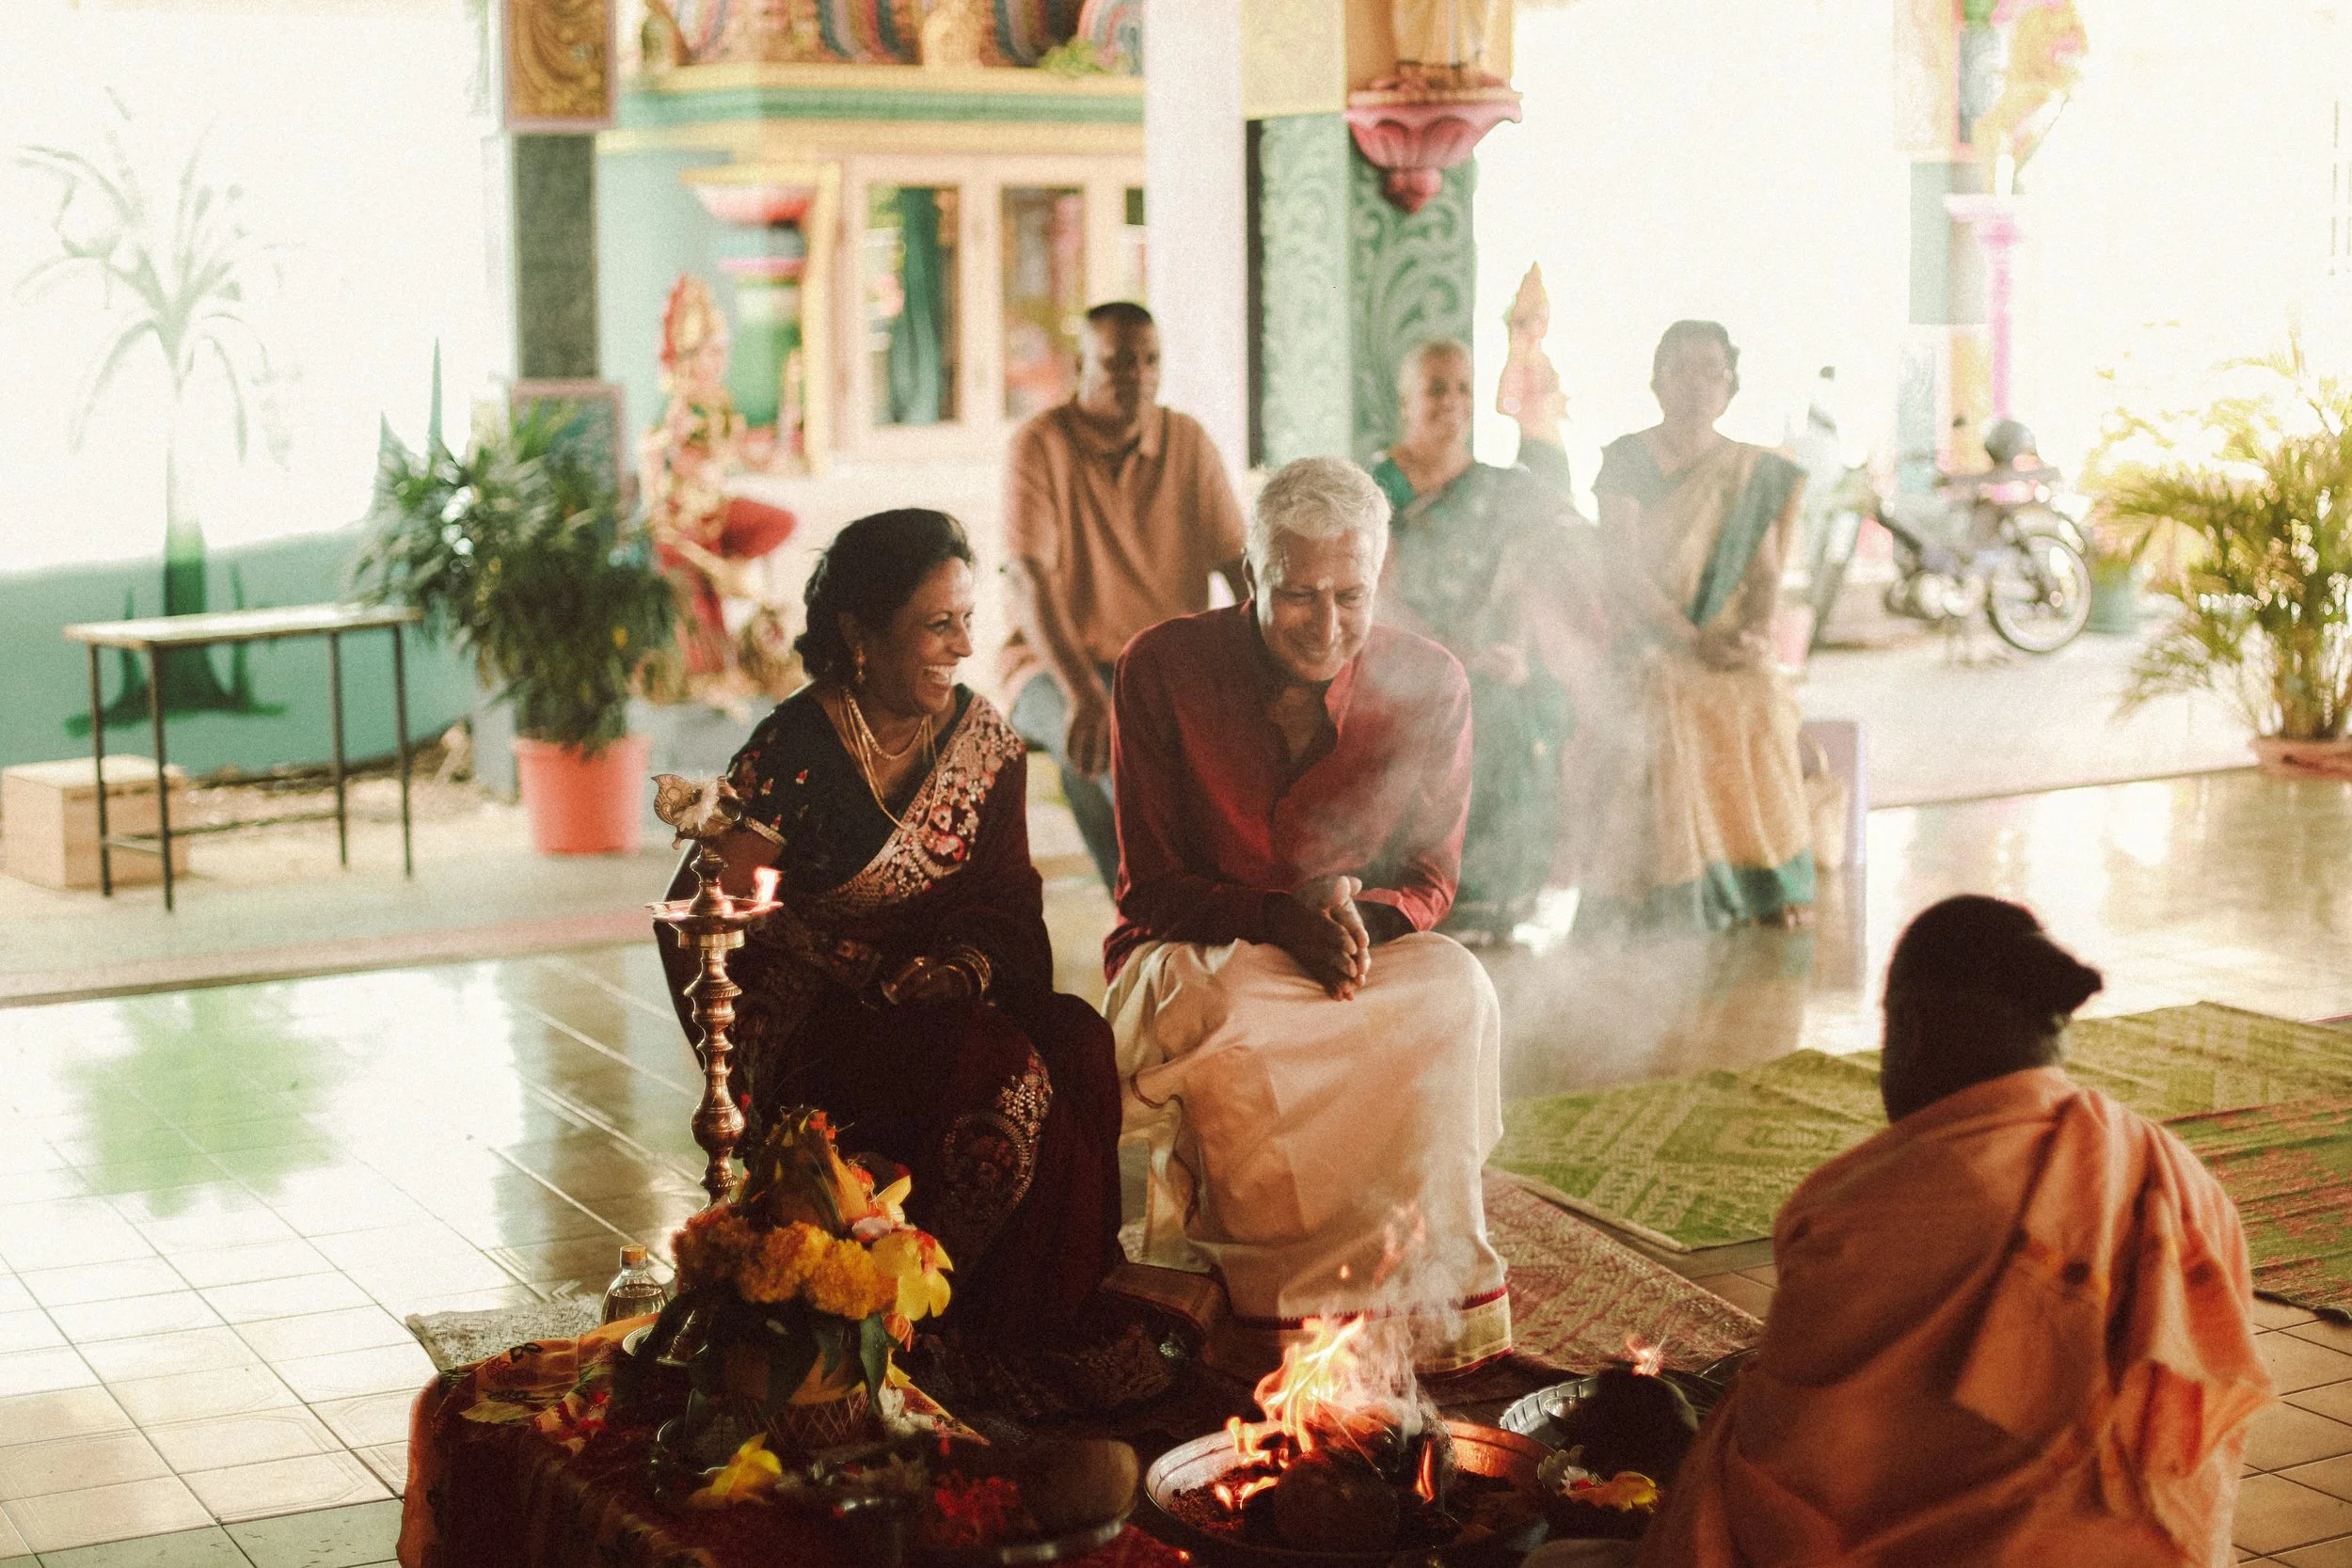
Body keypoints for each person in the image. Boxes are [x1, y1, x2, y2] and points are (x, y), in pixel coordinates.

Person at [1641, 895, 2268, 1568]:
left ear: (1908, 1027)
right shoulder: (2185, 1187)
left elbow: (1791, 1481)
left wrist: (1683, 1443)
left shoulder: (1865, 1207)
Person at [652, 509, 1122, 1368]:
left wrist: (959, 967)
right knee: (991, 1062)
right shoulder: (797, 749)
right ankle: (929, 1326)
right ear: (860, 633)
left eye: (968, 620)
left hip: (954, 994)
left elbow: (1011, 902)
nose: (963, 647)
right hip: (822, 1024)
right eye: (938, 625)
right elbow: (709, 906)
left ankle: (1044, 1318)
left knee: (1080, 1042)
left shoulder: (985, 746)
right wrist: (849, 967)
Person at [1103, 455, 1510, 1376]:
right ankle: (1267, 1301)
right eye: (1297, 594)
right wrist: (1278, 914)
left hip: (1354, 943)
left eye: (1351, 595)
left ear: (1379, 579)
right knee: (1237, 1015)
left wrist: (1349, 913)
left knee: (1458, 988)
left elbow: (1430, 879)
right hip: (1203, 946)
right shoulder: (1161, 665)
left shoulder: (1431, 680)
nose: (1327, 624)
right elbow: (1151, 887)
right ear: (1250, 574)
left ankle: (1419, 1283)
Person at [1575, 320, 1815, 933]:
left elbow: (1762, 574)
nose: (1696, 383)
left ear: (1730, 385)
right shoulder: (1628, 458)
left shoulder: (1746, 469)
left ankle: (1764, 882)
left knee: (1760, 690)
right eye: (1681, 367)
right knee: (1668, 690)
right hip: (1651, 634)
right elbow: (1623, 568)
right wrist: (1689, 637)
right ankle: (1679, 891)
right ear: (1657, 381)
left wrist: (1756, 633)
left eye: (1712, 369)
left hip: (1726, 636)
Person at [1002, 301, 1248, 890]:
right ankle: (1153, 903)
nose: (1135, 375)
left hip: (1164, 667)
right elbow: (1028, 579)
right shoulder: (1040, 444)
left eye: (1149, 361)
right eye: (1116, 363)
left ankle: (1209, 896)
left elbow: (1241, 567)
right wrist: (1083, 688)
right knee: (1104, 737)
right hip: (1052, 668)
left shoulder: (1186, 441)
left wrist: (1267, 663)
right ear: (1078, 367)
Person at [1370, 338, 1583, 939]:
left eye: (1463, 388)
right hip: (1406, 658)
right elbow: (1379, 600)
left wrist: (1513, 652)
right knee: (1464, 712)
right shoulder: (1382, 486)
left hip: (1488, 658)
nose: (1452, 402)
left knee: (1530, 705)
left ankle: (1500, 901)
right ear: (1406, 400)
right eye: (1436, 388)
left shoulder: (1497, 487)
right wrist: (1456, 657)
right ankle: (1435, 899)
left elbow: (1522, 578)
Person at [639, 273, 799, 704]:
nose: (721, 360)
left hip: (714, 513)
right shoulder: (676, 403)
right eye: (714, 351)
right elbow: (654, 451)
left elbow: (739, 449)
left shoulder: (718, 400)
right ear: (691, 355)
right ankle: (707, 679)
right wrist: (659, 496)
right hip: (680, 522)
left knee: (778, 522)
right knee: (698, 599)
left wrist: (773, 446)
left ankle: (741, 655)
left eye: (723, 351)